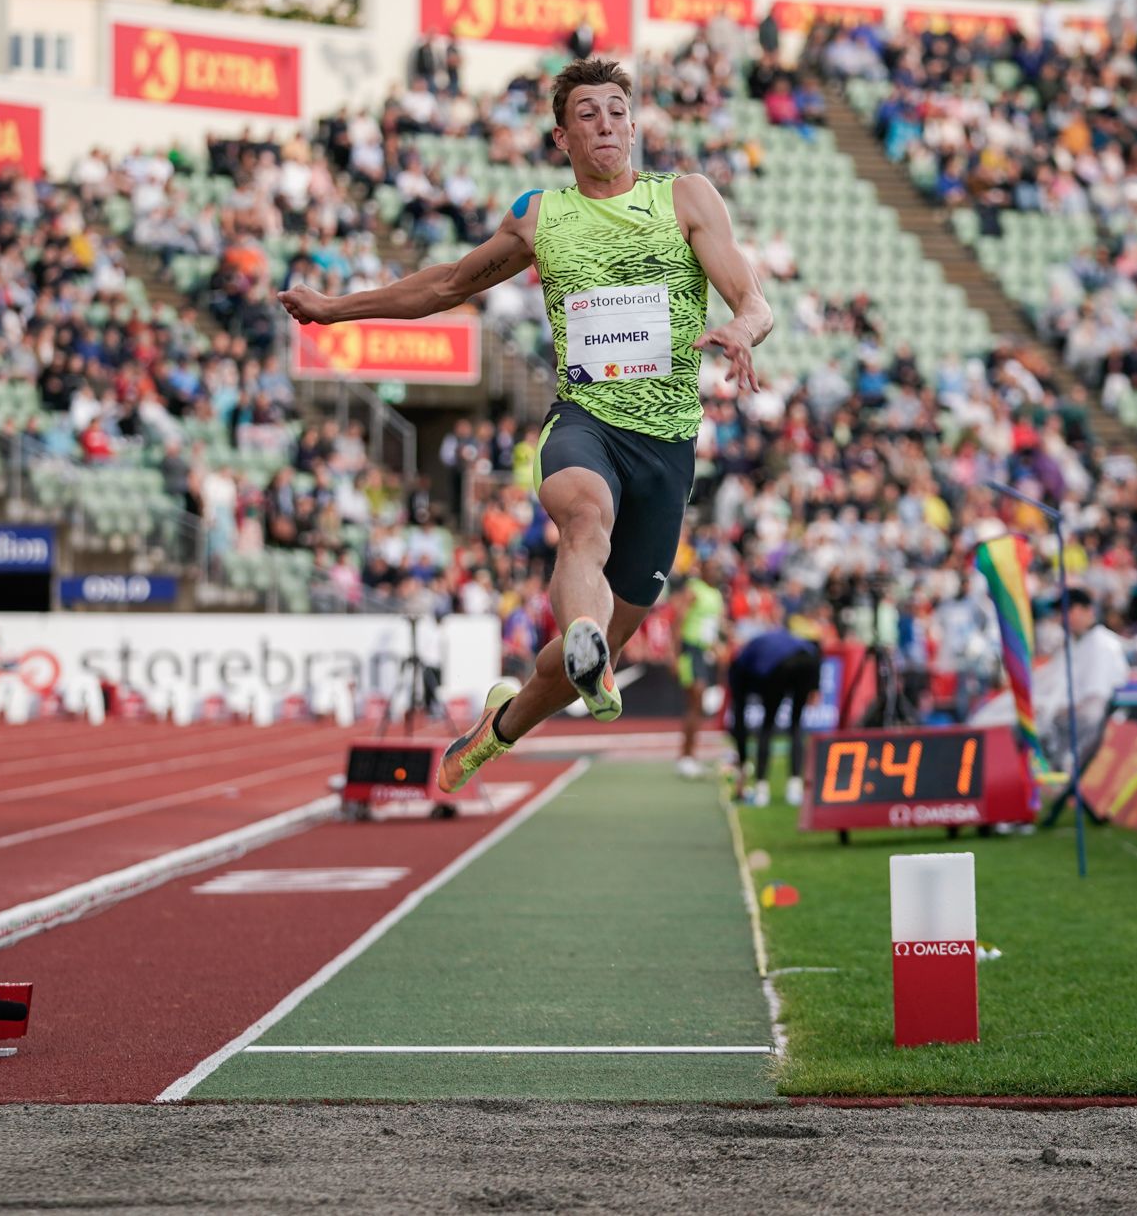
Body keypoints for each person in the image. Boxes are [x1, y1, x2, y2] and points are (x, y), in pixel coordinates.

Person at [279, 58, 772, 792]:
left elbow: (752, 297)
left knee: (600, 640)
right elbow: (446, 283)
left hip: (666, 447)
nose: (605, 123)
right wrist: (336, 308)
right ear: (561, 137)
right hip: (585, 420)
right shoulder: (543, 218)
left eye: (616, 110)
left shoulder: (686, 198)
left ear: (634, 125)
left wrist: (745, 327)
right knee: (582, 517)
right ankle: (587, 643)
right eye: (587, 114)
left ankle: (503, 723)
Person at [724, 626, 824, 808]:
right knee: (795, 724)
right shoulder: (754, 652)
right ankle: (794, 788)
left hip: (781, 665)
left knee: (768, 724)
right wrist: (816, 686)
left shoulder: (739, 665)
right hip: (809, 662)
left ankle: (762, 789)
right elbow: (815, 649)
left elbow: (740, 722)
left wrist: (742, 762)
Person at [1036, 589, 1132, 778]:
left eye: (1067, 611)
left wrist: (1055, 712)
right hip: (1068, 718)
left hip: (1084, 724)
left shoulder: (1103, 645)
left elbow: (1093, 706)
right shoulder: (1073, 643)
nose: (1062, 618)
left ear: (1085, 611)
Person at [674, 559, 728, 779]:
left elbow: (712, 626)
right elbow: (679, 621)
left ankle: (690, 757)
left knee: (699, 704)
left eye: (717, 568)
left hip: (704, 652)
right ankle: (686, 757)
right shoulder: (694, 590)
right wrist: (674, 655)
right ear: (703, 570)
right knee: (695, 701)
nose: (715, 571)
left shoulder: (716, 596)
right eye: (712, 567)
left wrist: (717, 647)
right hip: (690, 650)